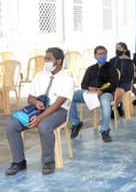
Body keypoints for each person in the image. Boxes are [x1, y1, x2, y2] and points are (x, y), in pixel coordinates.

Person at [5, 47, 75, 176]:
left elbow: (57, 104)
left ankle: (48, 161)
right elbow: (30, 98)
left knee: (44, 126)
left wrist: (39, 118)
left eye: (49, 59)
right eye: (45, 59)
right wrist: (36, 102)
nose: (45, 61)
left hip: (58, 111)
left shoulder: (67, 79)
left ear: (59, 61)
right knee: (11, 125)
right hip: (37, 110)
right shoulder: (39, 76)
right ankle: (19, 161)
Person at [69, 45, 120, 143]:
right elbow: (83, 84)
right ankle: (76, 123)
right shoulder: (90, 69)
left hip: (105, 93)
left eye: (104, 54)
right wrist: (90, 88)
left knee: (105, 103)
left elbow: (114, 84)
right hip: (90, 93)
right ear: (95, 56)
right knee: (71, 96)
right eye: (99, 54)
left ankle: (105, 130)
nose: (102, 56)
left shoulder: (111, 68)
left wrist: (101, 91)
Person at [109, 42, 135, 118]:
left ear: (124, 50)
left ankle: (114, 108)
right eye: (116, 48)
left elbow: (129, 76)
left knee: (118, 90)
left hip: (125, 83)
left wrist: (118, 80)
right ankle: (119, 104)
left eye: (119, 48)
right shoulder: (112, 60)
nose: (117, 49)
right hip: (114, 82)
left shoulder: (129, 62)